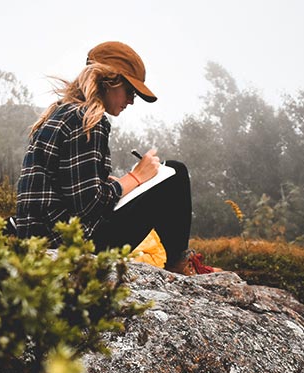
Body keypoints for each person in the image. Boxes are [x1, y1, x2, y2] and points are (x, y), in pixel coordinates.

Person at [15, 41, 218, 275]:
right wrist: (136, 177)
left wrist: (115, 183)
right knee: (175, 173)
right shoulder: (88, 119)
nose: (131, 101)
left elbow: (71, 193)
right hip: (74, 245)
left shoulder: (59, 113)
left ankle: (178, 263)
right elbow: (89, 205)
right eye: (130, 91)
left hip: (42, 239)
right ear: (109, 81)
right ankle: (178, 265)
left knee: (158, 177)